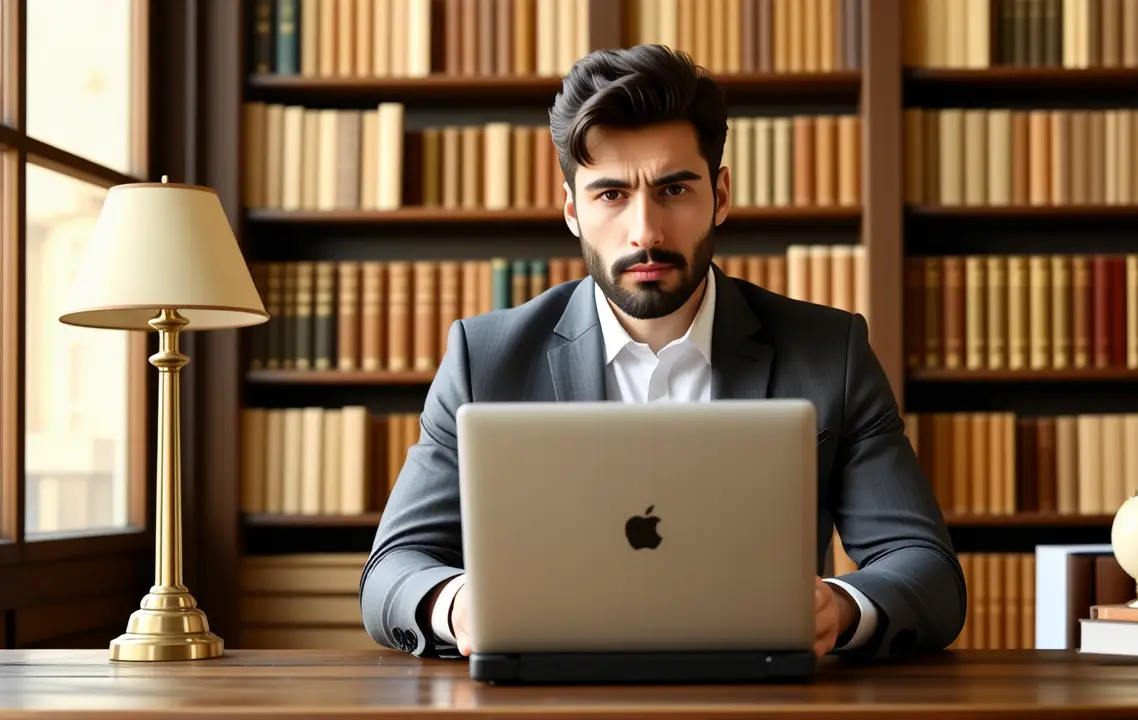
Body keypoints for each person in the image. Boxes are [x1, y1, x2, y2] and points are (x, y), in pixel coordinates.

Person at [359, 44, 965, 662]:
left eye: (674, 189)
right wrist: (460, 604)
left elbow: (927, 571)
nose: (645, 231)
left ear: (720, 195)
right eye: (611, 195)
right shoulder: (483, 358)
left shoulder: (829, 351)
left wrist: (838, 608)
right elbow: (392, 569)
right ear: (572, 209)